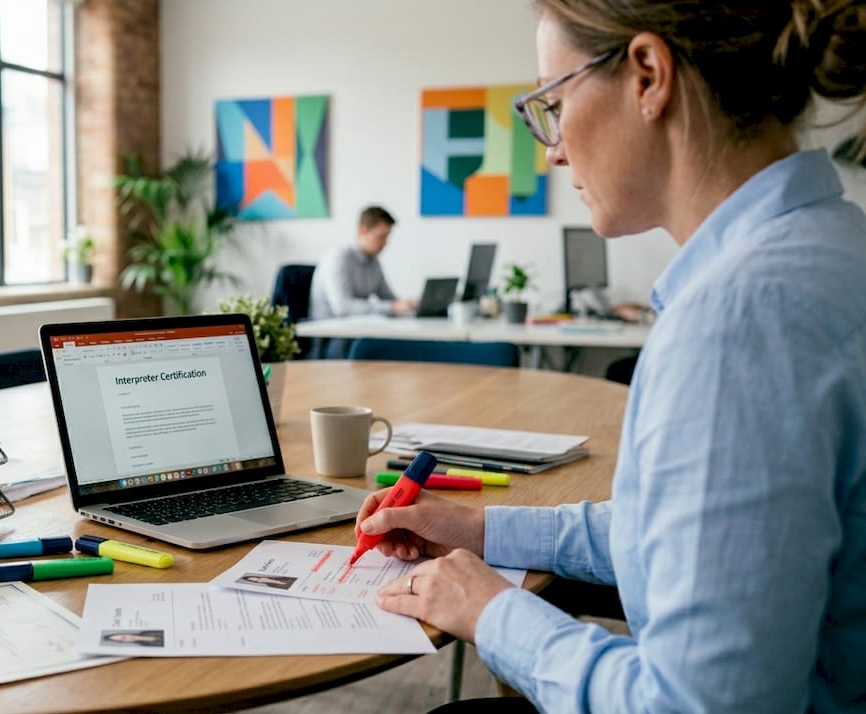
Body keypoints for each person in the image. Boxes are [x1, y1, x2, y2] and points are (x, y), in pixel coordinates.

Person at [357, 2, 866, 712]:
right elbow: (678, 533)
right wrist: (481, 528)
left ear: (648, 76)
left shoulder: (739, 323)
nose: (553, 149)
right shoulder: (834, 242)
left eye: (554, 103)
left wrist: (491, 612)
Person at [309, 205, 419, 358]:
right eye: (381, 237)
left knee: (399, 343)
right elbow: (343, 308)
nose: (385, 243)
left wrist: (409, 305)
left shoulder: (374, 263)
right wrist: (392, 308)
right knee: (375, 349)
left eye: (387, 237)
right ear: (363, 231)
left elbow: (389, 298)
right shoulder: (338, 258)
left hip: (357, 331)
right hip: (330, 338)